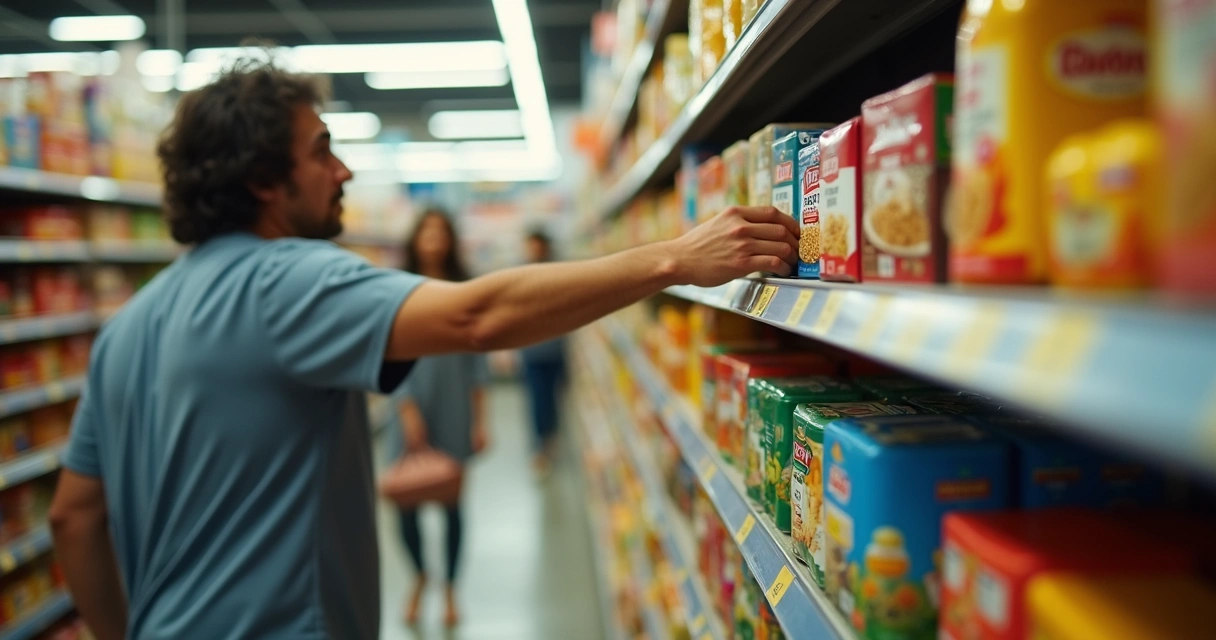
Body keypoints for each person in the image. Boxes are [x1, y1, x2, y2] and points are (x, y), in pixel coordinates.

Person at [47, 58, 798, 640]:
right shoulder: (287, 280)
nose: (343, 171)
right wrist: (672, 260)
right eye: (322, 152)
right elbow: (477, 317)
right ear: (263, 181)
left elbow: (73, 518)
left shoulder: (128, 328)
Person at [392, 207, 488, 627]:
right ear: (414, 238)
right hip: (408, 408)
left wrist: (480, 420)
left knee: (452, 506)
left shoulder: (465, 288)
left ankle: (450, 588)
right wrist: (407, 410)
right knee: (405, 506)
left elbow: (476, 362)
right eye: (425, 229)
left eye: (440, 231)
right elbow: (388, 353)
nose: (433, 237)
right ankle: (419, 577)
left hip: (453, 407)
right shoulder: (396, 288)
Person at [519, 230, 566, 476]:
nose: (533, 250)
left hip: (555, 350)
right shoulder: (519, 275)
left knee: (552, 398)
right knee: (537, 401)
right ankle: (540, 447)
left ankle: (551, 440)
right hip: (532, 353)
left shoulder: (558, 271)